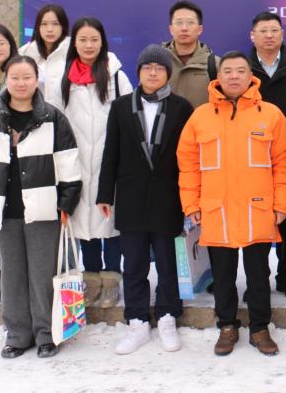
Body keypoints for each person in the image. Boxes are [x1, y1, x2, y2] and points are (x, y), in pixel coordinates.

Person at [0, 55, 80, 359]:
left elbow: (68, 163)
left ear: (36, 80)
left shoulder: (53, 118)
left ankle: (46, 333)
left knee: (42, 273)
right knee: (11, 273)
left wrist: (67, 201)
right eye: (15, 77)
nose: (21, 83)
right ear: (6, 80)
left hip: (44, 209)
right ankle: (17, 334)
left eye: (27, 77)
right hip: (2, 210)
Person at [177, 52, 286, 357]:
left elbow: (283, 163)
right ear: (218, 76)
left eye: (241, 71)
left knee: (259, 275)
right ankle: (227, 326)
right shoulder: (201, 116)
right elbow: (188, 165)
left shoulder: (270, 114)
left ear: (251, 76)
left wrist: (282, 204)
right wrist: (191, 205)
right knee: (222, 276)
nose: (234, 76)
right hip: (217, 210)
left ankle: (259, 328)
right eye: (228, 71)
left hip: (258, 209)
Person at [97, 45, 194, 355]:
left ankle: (167, 316)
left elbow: (190, 157)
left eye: (159, 68)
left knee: (167, 263)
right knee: (135, 264)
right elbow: (111, 152)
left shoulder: (181, 107)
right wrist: (104, 193)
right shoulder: (121, 107)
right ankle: (137, 320)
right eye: (147, 67)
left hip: (168, 198)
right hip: (131, 197)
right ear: (138, 72)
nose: (153, 73)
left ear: (168, 73)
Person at [45, 17, 132, 308]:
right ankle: (91, 279)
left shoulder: (116, 75)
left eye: (94, 39)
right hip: (76, 161)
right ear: (74, 43)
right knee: (83, 222)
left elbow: (129, 117)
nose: (88, 45)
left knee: (110, 222)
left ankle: (112, 279)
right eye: (82, 40)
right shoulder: (63, 78)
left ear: (102, 41)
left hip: (110, 161)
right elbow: (53, 120)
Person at [247, 11, 286, 301]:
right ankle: (257, 279)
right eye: (263, 31)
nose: (269, 35)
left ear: (283, 35)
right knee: (256, 222)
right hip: (251, 158)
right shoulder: (242, 70)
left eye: (274, 30)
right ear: (253, 36)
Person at [163, 0, 221, 108]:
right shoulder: (158, 61)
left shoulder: (214, 64)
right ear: (171, 29)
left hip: (202, 119)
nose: (184, 28)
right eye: (179, 23)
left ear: (200, 29)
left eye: (190, 23)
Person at [18, 4, 70, 92]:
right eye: (44, 24)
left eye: (55, 24)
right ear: (38, 27)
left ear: (63, 26)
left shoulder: (73, 50)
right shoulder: (25, 53)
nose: (49, 29)